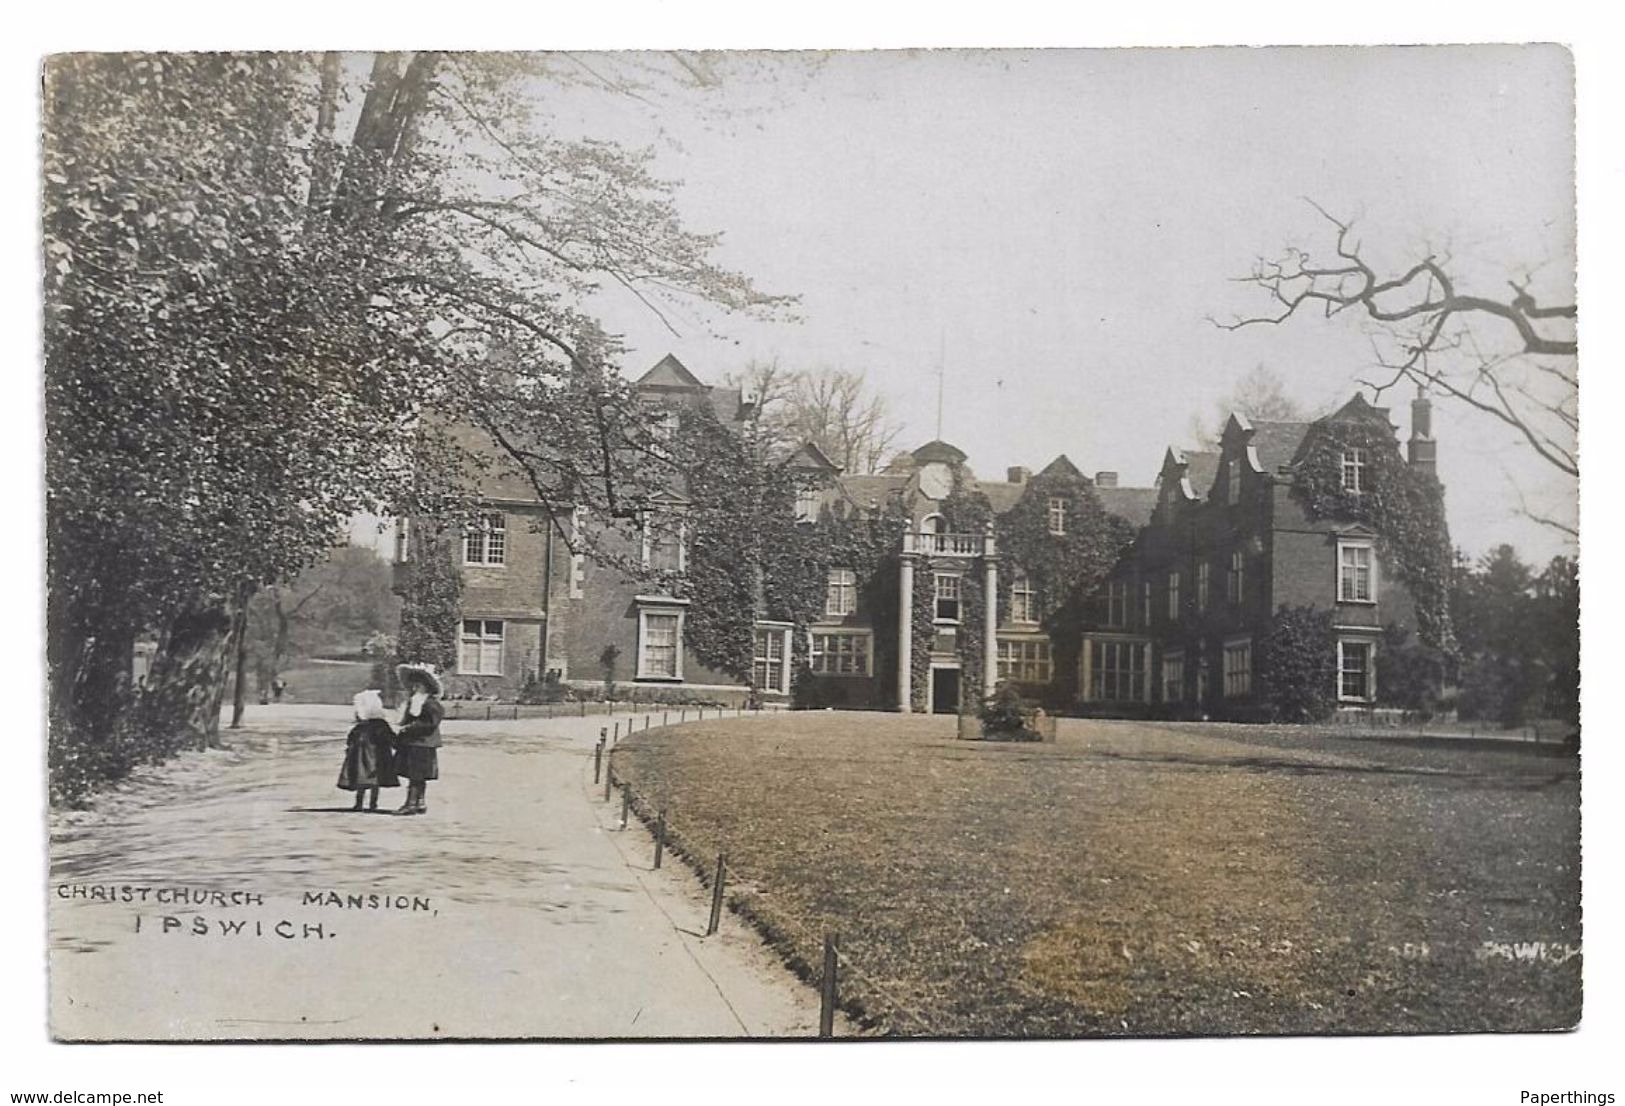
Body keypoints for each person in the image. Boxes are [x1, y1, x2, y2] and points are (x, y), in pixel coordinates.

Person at [393, 662, 445, 816]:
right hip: (413, 743)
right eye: (413, 685)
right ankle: (420, 802)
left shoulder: (431, 704)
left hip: (423, 743)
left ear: (426, 687)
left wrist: (407, 728)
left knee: (417, 775)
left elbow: (429, 724)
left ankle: (411, 803)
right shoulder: (414, 702)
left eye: (418, 685)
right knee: (415, 775)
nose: (415, 688)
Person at [337, 689, 399, 812]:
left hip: (361, 757)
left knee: (361, 780)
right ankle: (372, 804)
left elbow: (351, 740)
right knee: (375, 781)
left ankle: (359, 803)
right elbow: (390, 738)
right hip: (377, 757)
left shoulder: (361, 726)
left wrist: (350, 750)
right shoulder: (381, 725)